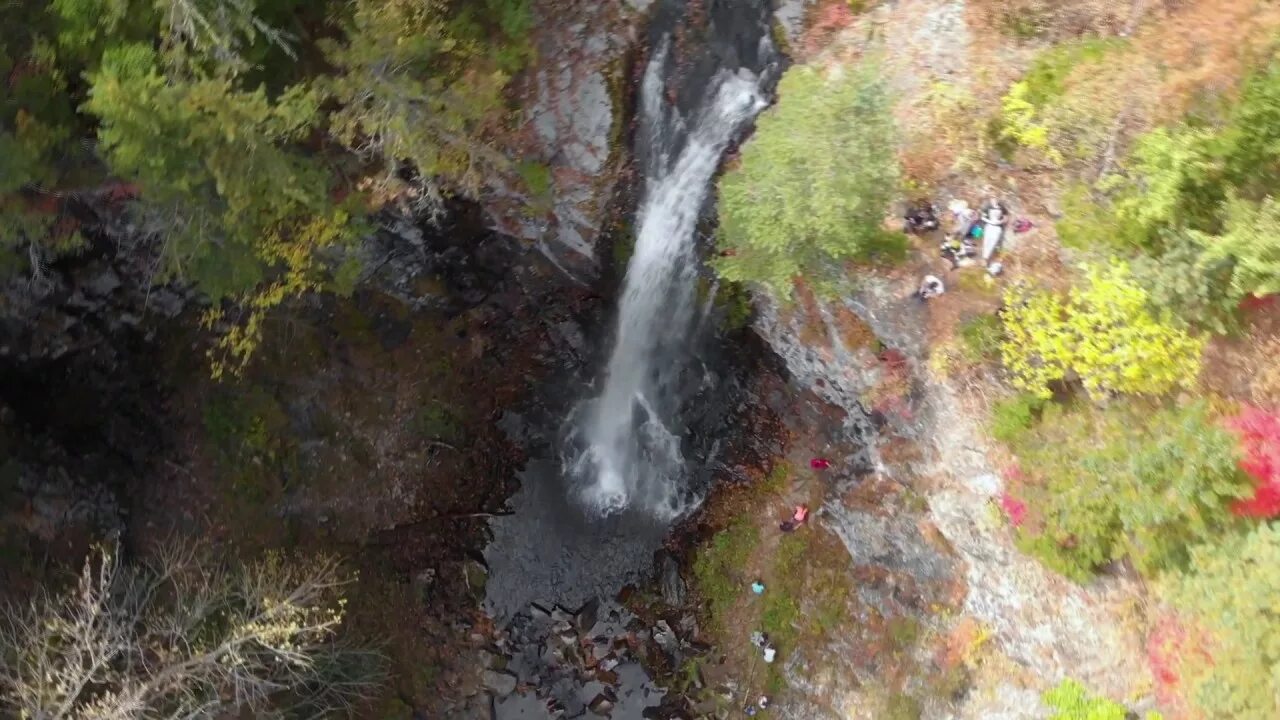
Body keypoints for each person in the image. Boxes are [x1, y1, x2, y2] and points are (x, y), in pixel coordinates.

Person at [980, 198, 1008, 265]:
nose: (994, 201)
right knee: (986, 242)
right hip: (989, 226)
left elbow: (1006, 218)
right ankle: (984, 258)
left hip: (997, 227)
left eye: (995, 200)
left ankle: (986, 258)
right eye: (992, 200)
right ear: (990, 201)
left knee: (993, 242)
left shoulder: (1002, 208)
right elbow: (982, 217)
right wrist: (989, 221)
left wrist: (1000, 222)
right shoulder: (987, 208)